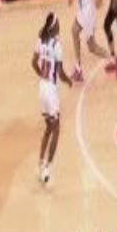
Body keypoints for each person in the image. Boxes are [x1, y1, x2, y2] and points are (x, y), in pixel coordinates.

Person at [31, 12, 72, 184]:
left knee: (48, 128)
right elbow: (60, 73)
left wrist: (43, 75)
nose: (59, 26)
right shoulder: (57, 45)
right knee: (56, 129)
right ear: (54, 26)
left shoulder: (40, 40)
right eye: (58, 24)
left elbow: (33, 63)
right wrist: (68, 81)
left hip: (41, 87)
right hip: (50, 91)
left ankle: (40, 164)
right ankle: (48, 168)